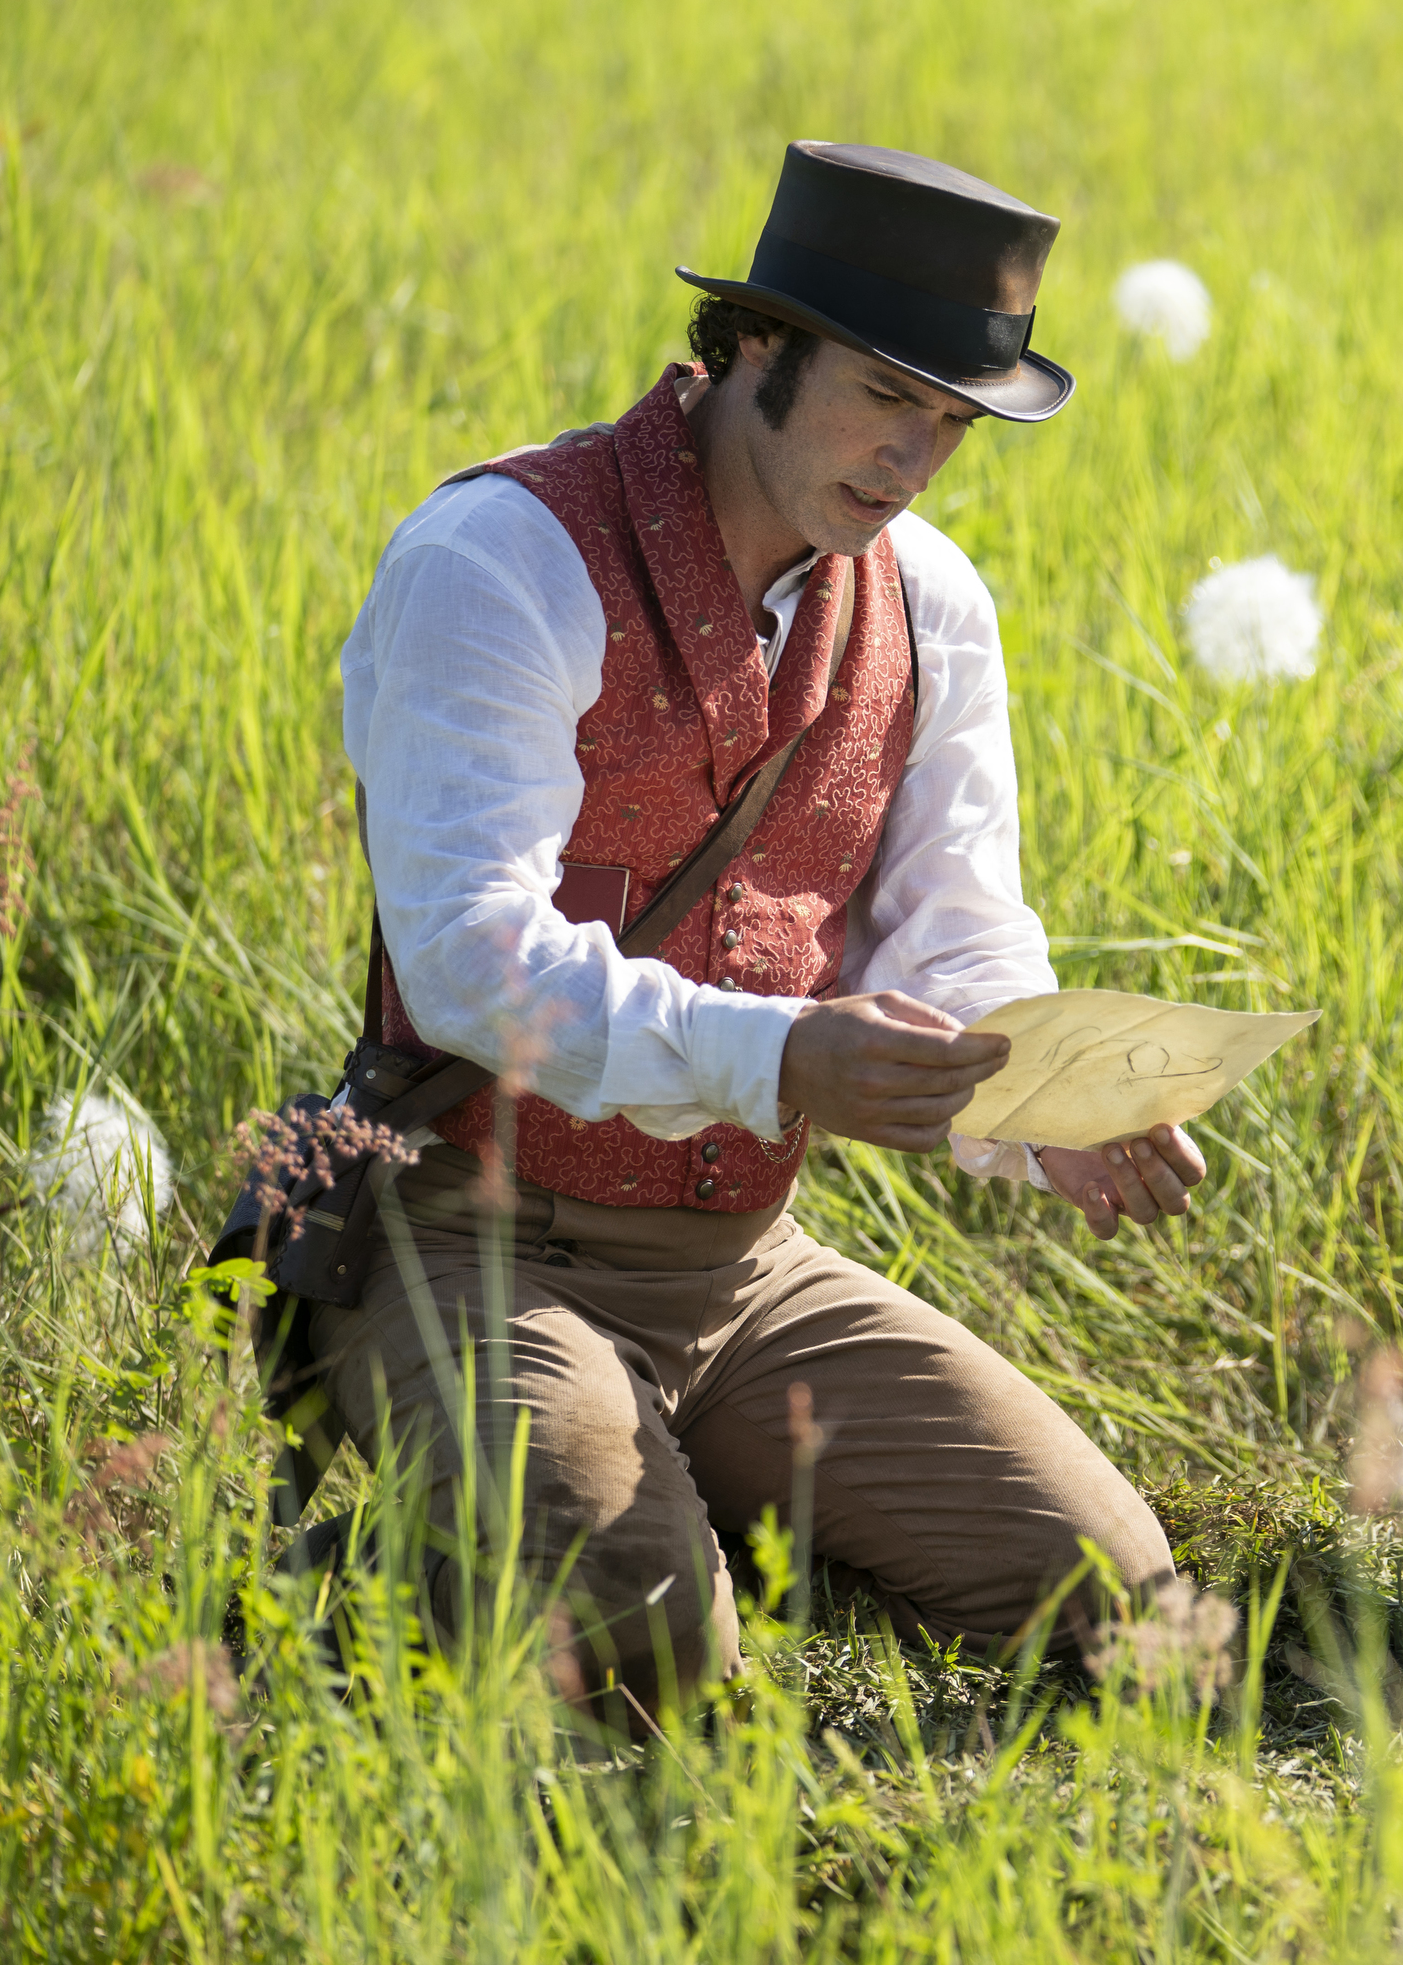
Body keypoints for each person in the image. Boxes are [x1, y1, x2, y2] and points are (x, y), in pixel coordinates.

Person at [320, 141, 1204, 1720]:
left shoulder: (931, 601)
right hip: (473, 1240)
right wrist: (786, 1058)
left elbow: (957, 935)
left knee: (1127, 1614)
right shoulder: (498, 560)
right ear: (753, 346)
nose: (919, 455)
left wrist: (1049, 1102)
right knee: (641, 1655)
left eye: (955, 420)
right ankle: (440, 1537)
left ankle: (622, 1487)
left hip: (747, 1267)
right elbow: (466, 963)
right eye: (886, 394)